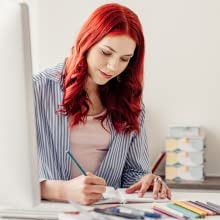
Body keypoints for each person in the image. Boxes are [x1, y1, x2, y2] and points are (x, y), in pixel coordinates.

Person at [33, 3, 171, 205]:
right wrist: (62, 191)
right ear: (86, 42)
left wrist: (146, 182)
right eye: (106, 53)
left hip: (108, 214)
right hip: (49, 214)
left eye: (125, 59)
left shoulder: (131, 102)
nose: (113, 66)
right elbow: (8, 179)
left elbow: (134, 173)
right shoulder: (36, 90)